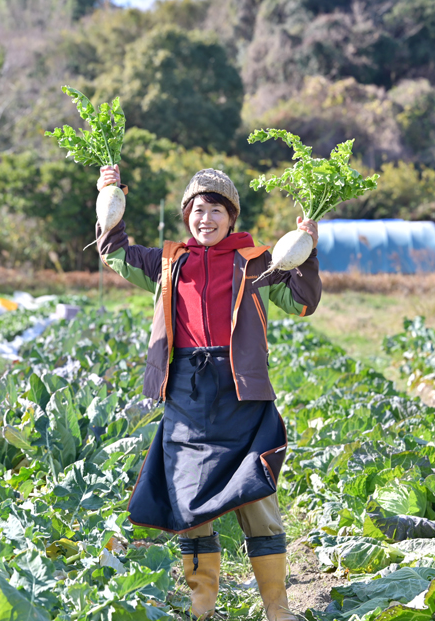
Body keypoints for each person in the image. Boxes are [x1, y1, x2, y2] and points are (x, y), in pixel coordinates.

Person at [95, 165, 320, 621]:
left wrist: (307, 248)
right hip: (187, 395)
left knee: (257, 497)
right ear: (187, 216)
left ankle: (278, 610)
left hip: (242, 393)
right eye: (198, 210)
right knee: (190, 503)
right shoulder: (167, 262)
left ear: (231, 217)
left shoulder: (259, 262)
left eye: (216, 210)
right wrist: (108, 196)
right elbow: (114, 252)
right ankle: (202, 609)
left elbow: (302, 301)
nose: (207, 219)